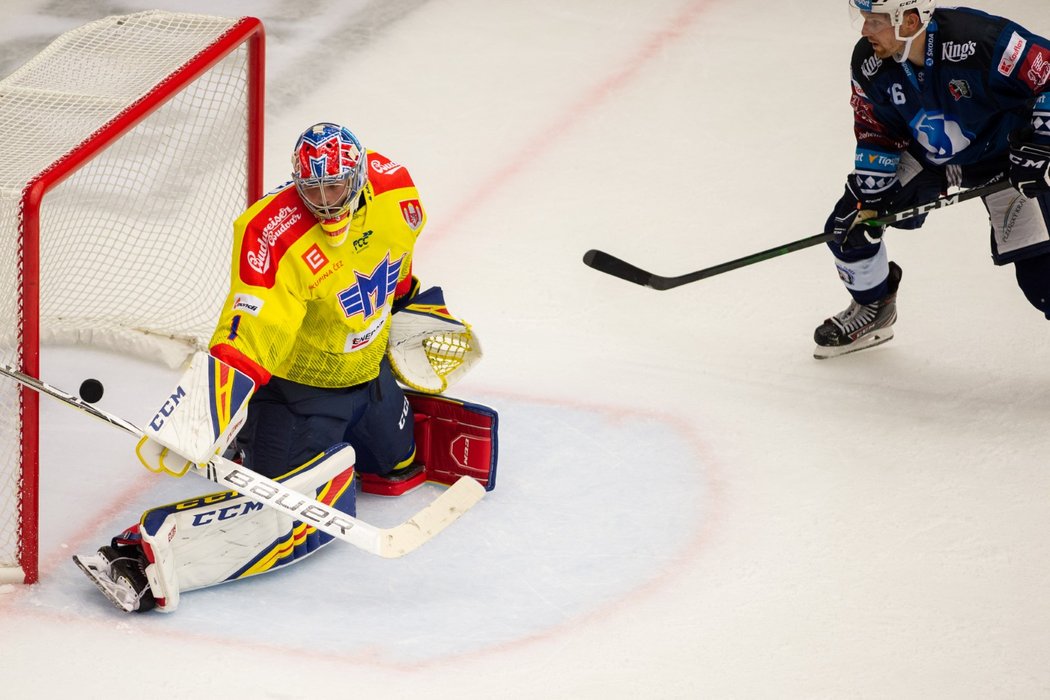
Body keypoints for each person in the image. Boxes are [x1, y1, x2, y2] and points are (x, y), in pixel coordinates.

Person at [72, 123, 488, 612]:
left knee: (397, 467)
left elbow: (395, 263)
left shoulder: (396, 190)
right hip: (298, 392)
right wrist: (202, 413)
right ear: (295, 182)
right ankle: (148, 536)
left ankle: (319, 438)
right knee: (286, 514)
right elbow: (249, 333)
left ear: (357, 178)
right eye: (311, 189)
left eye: (335, 186)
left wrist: (414, 304)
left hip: (369, 374)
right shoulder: (270, 234)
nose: (326, 201)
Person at [814, 0, 1050, 359]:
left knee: (1041, 276)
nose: (864, 31)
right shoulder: (869, 62)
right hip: (929, 158)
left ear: (909, 21)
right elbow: (875, 130)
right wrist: (870, 198)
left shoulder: (981, 41)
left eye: (874, 22)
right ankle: (874, 308)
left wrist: (1040, 144)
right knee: (847, 228)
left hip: (1003, 159)